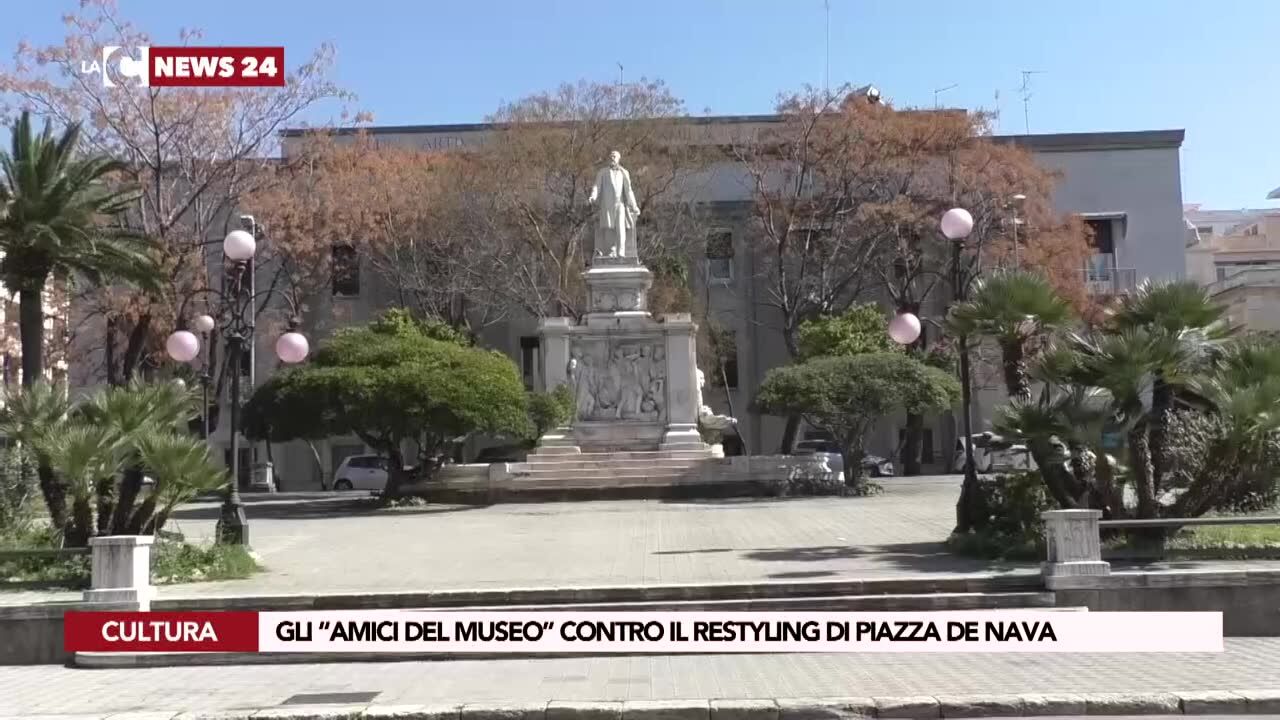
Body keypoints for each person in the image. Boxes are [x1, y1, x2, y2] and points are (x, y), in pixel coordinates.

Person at [588, 150, 641, 258]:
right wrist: (593, 196)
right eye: (611, 156)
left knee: (621, 228)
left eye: (615, 156)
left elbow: (629, 190)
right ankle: (611, 251)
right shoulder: (603, 172)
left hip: (620, 205)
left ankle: (621, 251)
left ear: (618, 158)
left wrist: (634, 206)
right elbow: (597, 186)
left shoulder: (624, 172)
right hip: (607, 205)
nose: (612, 157)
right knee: (609, 228)